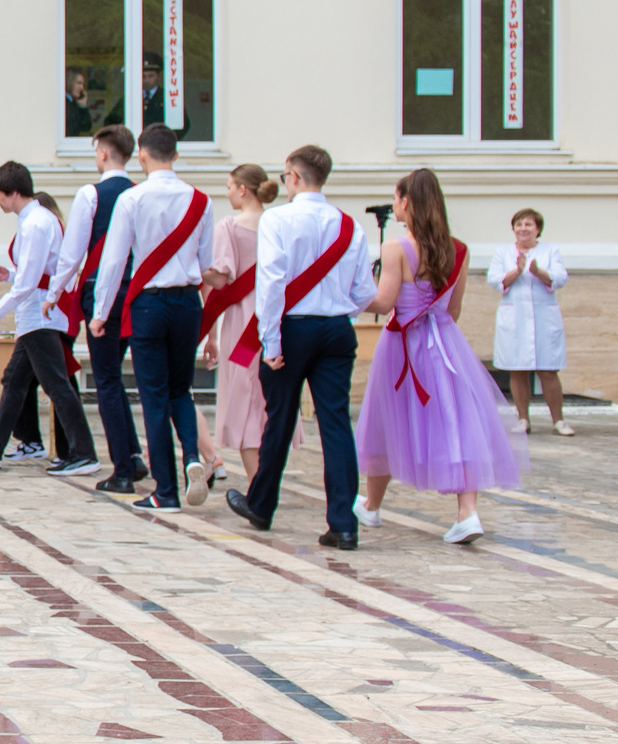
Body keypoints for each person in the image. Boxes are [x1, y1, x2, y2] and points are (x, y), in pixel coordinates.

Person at [357, 170, 525, 544]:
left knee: (386, 420)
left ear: (406, 202)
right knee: (457, 421)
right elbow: (455, 308)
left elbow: (384, 304)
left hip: (402, 345)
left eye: (397, 198)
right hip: (446, 343)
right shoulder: (459, 249)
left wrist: (349, 293)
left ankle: (370, 506)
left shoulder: (396, 248)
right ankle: (467, 513)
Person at [228, 145, 376, 548]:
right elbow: (364, 292)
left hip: (291, 329)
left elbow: (272, 282)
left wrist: (270, 340)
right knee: (335, 423)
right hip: (336, 329)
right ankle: (343, 523)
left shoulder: (278, 219)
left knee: (279, 418)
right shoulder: (350, 226)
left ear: (293, 176)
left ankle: (261, 505)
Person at [86, 123, 217, 511]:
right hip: (187, 304)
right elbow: (206, 264)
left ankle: (166, 491)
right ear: (176, 155)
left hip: (148, 305)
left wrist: (100, 312)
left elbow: (113, 262)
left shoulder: (133, 199)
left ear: (140, 155)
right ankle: (192, 456)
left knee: (154, 396)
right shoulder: (201, 201)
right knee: (181, 390)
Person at [0, 163, 98, 477]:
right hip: (37, 316)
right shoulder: (39, 219)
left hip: (38, 317)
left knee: (55, 386)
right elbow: (35, 275)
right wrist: (12, 275)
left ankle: (83, 452)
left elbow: (29, 283)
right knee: (15, 381)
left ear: (14, 193)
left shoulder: (35, 223)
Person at [53, 126, 146, 493]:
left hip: (102, 292)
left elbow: (73, 250)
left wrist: (55, 292)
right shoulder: (141, 194)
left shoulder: (91, 193)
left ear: (104, 154)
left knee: (107, 380)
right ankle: (135, 453)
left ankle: (122, 467)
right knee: (123, 379)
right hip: (139, 292)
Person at [200, 164, 284, 493]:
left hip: (244, 322)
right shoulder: (278, 225)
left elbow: (221, 276)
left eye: (230, 186)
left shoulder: (230, 226)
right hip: (274, 319)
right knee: (268, 400)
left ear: (243, 190)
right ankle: (264, 483)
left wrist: (192, 266)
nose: (227, 192)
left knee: (247, 402)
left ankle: (257, 487)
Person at [490, 208, 571, 435]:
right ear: (513, 228)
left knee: (548, 370)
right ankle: (523, 419)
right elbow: (495, 281)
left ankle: (558, 420)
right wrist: (518, 270)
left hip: (544, 319)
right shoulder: (503, 252)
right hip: (515, 319)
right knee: (518, 369)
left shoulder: (550, 251)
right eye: (519, 224)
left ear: (537, 229)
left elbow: (560, 277)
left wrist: (537, 271)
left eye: (528, 225)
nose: (523, 229)